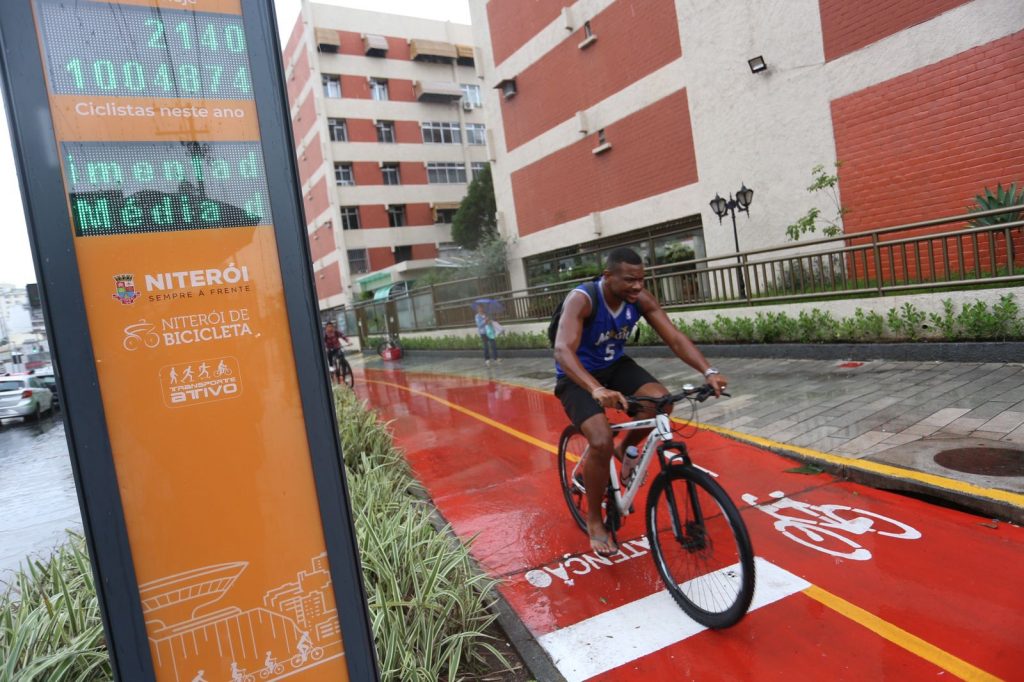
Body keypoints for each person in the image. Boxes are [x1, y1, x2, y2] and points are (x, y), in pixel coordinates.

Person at [553, 247, 728, 557]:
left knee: (660, 402)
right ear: (608, 277)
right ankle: (595, 520)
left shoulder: (640, 300)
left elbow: (673, 337)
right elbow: (563, 351)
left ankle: (625, 448)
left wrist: (708, 370)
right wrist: (595, 389)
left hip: (614, 366)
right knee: (600, 438)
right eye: (630, 280)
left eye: (642, 280)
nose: (637, 286)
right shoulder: (583, 299)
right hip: (577, 376)